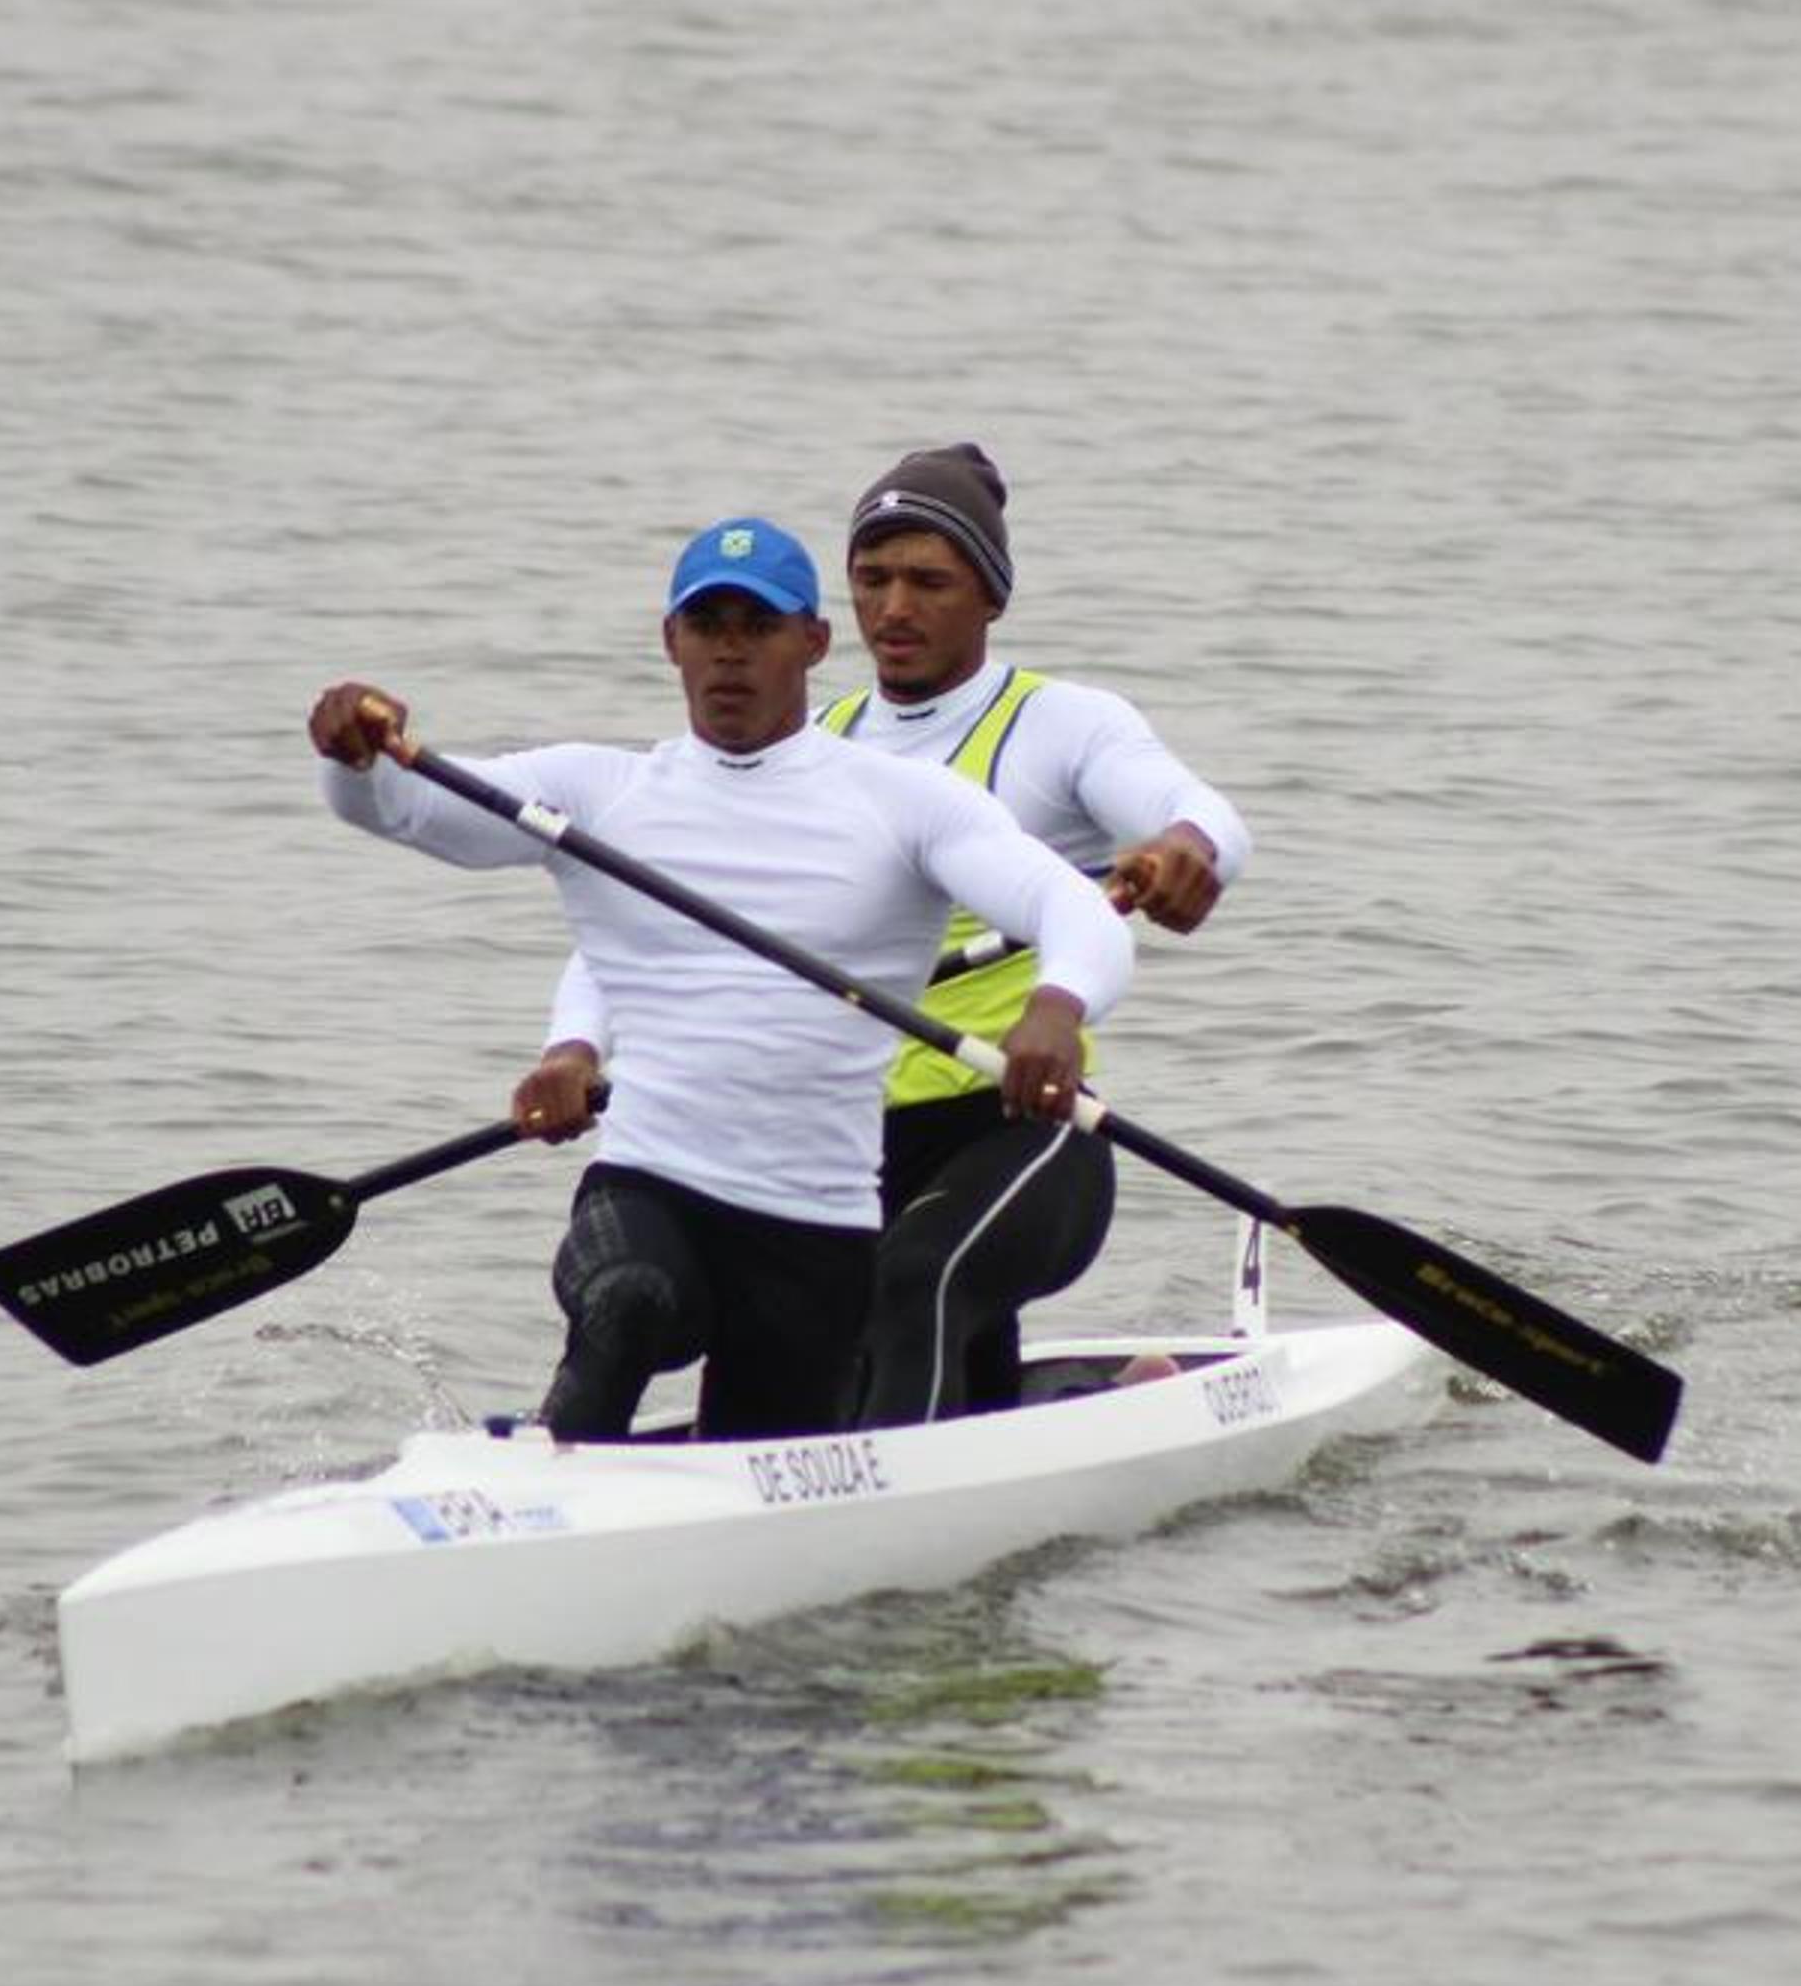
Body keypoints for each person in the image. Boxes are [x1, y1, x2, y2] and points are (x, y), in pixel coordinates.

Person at [307, 515, 1131, 1446]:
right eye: (708, 625)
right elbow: (408, 809)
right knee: (629, 1301)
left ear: (814, 642)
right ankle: (544, 1483)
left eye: (759, 625)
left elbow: (1078, 913)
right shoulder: (597, 793)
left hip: (814, 1230)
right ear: (671, 642)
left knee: (768, 1443)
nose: (731, 652)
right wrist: (353, 758)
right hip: (651, 1187)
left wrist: (1057, 1008)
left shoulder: (906, 805)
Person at [830, 441, 1253, 1422]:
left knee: (919, 1277)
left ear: (990, 596)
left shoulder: (1061, 726)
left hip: (1024, 1133)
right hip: (847, 1146)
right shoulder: (819, 743)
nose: (895, 610)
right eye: (872, 579)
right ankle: (1064, 1405)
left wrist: (1182, 847)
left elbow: (1205, 813)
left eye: (929, 581)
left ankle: (893, 1538)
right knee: (810, 1336)